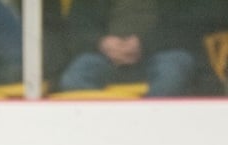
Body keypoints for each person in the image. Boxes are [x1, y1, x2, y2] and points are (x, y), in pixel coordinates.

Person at [57, 0, 202, 97]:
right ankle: (108, 128)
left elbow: (190, 24)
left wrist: (144, 44)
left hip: (162, 52)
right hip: (105, 56)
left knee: (172, 74)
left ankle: (147, 126)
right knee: (74, 78)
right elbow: (77, 25)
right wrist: (101, 42)